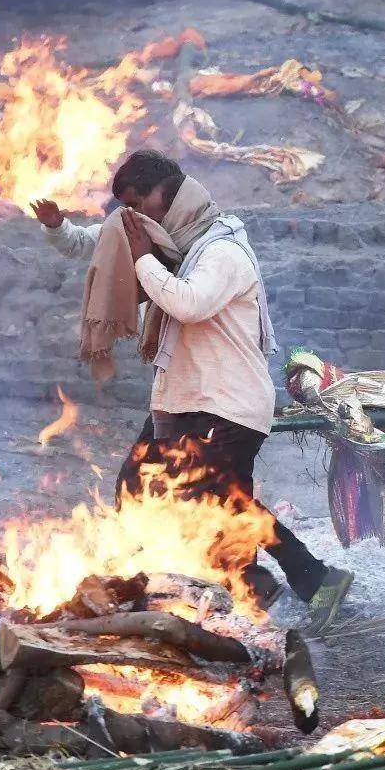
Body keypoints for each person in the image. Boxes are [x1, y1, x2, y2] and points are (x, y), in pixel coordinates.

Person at [32, 152, 353, 630]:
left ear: (167, 191)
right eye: (126, 207)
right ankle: (261, 589)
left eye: (139, 203)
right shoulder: (163, 240)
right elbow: (96, 246)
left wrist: (141, 259)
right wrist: (59, 228)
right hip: (181, 399)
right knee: (140, 484)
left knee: (224, 499)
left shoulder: (222, 250)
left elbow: (189, 304)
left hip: (228, 402)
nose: (133, 216)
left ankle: (310, 581)